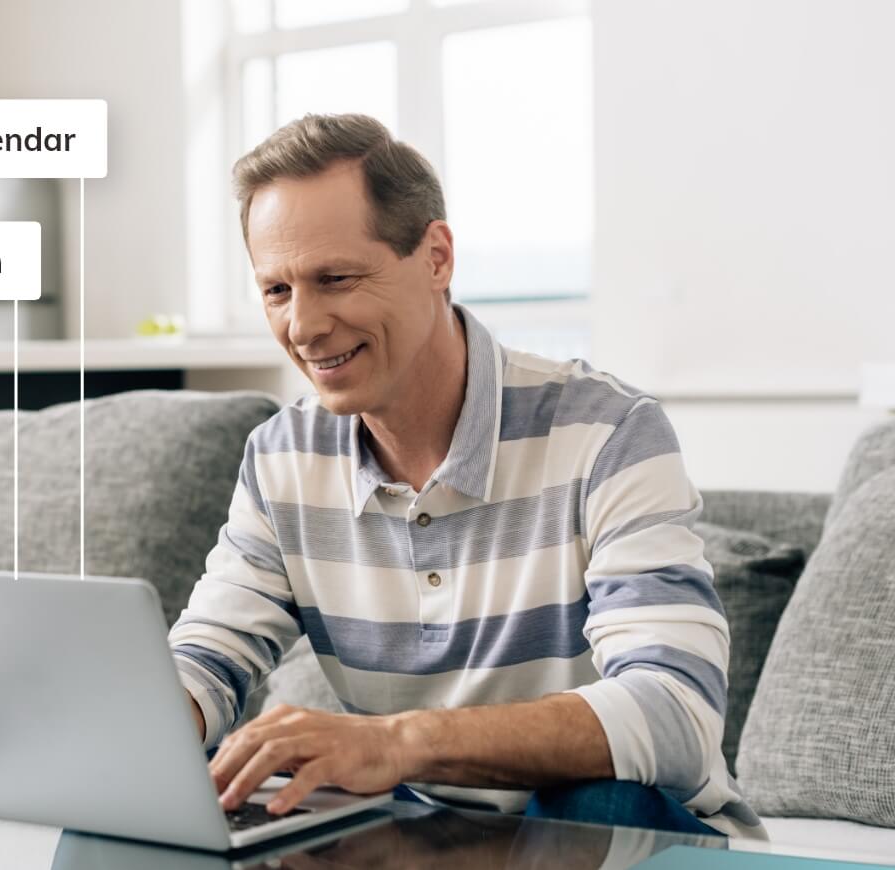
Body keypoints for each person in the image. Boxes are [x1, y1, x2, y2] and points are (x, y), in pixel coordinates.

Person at [167, 113, 763, 839]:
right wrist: (137, 726)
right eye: (277, 291)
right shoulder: (280, 458)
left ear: (437, 256)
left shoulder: (608, 433)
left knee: (591, 802)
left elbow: (676, 713)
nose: (304, 326)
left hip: (629, 832)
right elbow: (207, 658)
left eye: (335, 279)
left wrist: (400, 743)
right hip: (416, 839)